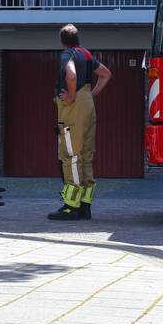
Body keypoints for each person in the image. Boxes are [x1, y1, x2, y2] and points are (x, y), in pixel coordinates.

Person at [49, 24, 112, 221]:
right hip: (87, 105)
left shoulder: (67, 55)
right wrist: (89, 95)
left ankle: (71, 206)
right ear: (78, 39)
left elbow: (71, 74)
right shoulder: (86, 54)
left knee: (70, 155)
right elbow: (106, 74)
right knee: (85, 155)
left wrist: (71, 94)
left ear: (62, 41)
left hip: (74, 107)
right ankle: (85, 206)